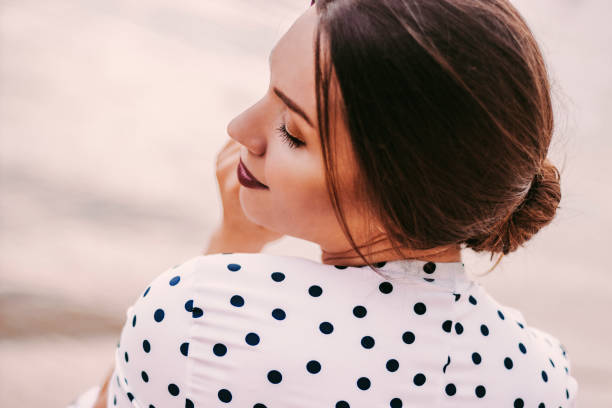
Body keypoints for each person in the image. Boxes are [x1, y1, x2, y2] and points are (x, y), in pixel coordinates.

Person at [68, 0, 579, 407]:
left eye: (292, 131)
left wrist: (229, 247)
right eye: (268, 91)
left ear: (402, 189)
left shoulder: (200, 314)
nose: (240, 128)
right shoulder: (541, 379)